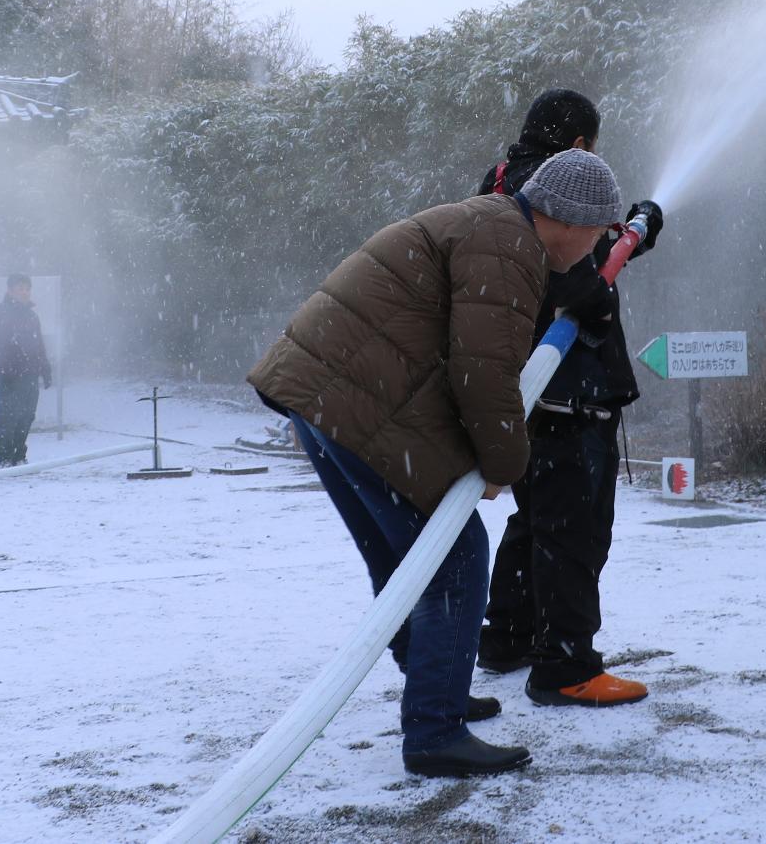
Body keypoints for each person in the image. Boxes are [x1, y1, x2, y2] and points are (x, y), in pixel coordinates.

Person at [249, 148, 625, 777]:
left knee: (405, 565)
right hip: (353, 405)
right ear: (571, 219)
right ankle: (434, 729)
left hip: (323, 400)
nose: (598, 245)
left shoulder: (491, 225)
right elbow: (483, 373)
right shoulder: (508, 248)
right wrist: (505, 463)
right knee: (456, 558)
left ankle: (435, 688)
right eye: (601, 230)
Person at [474, 89, 664, 708]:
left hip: (530, 392)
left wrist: (633, 235)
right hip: (570, 392)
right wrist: (610, 276)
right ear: (578, 144)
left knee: (535, 522)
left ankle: (506, 639)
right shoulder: (552, 194)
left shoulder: (500, 185)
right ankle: (566, 666)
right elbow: (582, 287)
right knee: (577, 528)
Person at [0, 274, 52, 467]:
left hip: (29, 374)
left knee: (27, 415)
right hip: (8, 374)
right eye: (20, 288)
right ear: (10, 291)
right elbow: (0, 343)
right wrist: (17, 354)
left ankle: (19, 453)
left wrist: (45, 368)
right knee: (8, 415)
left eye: (27, 288)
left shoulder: (32, 316)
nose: (24, 292)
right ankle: (4, 456)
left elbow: (39, 344)